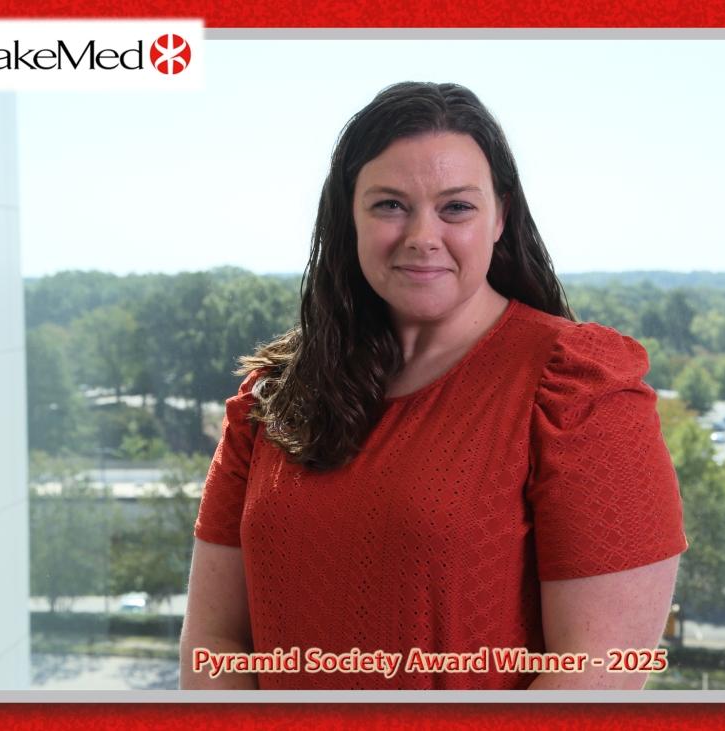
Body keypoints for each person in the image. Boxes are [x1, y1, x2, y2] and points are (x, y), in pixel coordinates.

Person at [180, 82, 687, 690]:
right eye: (390, 205)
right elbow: (215, 644)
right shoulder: (273, 395)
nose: (422, 235)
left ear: (500, 216)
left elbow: (596, 677)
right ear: (348, 215)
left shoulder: (578, 392)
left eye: (456, 207)